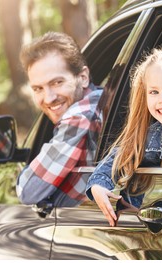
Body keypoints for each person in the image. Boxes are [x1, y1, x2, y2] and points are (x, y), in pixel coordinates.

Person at [86, 47, 162, 226]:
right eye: (154, 92)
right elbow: (115, 161)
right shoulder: (148, 137)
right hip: (153, 223)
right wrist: (98, 186)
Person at [16, 31, 103, 207]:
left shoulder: (80, 116)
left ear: (83, 77)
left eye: (57, 82)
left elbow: (28, 192)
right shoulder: (101, 99)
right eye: (38, 89)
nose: (48, 99)